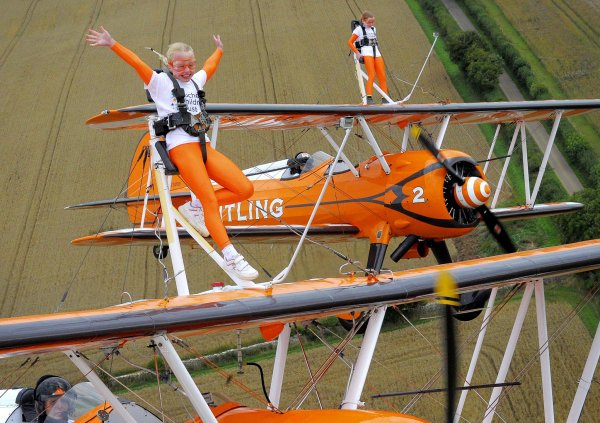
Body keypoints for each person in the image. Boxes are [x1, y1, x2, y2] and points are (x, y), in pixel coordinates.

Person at [86, 27, 258, 281]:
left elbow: (209, 68)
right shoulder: (160, 83)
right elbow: (136, 62)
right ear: (169, 64)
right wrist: (112, 43)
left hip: (203, 145)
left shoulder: (195, 81)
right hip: (180, 147)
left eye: (190, 65)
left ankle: (194, 206)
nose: (186, 70)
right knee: (210, 199)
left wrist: (219, 51)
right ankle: (230, 255)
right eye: (180, 66)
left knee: (244, 188)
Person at [347, 11, 389, 104]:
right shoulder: (358, 30)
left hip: (377, 53)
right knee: (372, 75)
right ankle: (369, 97)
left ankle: (385, 98)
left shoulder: (374, 29)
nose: (371, 24)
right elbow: (349, 42)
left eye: (372, 22)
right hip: (367, 53)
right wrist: (357, 53)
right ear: (363, 21)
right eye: (369, 22)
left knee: (382, 76)